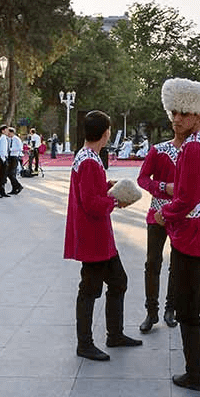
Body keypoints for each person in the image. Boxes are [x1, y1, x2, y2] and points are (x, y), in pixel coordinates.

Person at [154, 78, 200, 392]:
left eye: (184, 113)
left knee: (187, 308)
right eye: (174, 112)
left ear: (198, 115)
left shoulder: (194, 149)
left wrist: (164, 213)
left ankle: (194, 374)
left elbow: (186, 198)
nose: (176, 118)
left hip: (192, 234)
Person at [65, 110, 140, 361]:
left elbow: (91, 191)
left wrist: (107, 187)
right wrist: (116, 200)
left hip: (99, 235)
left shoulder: (88, 156)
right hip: (93, 235)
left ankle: (114, 334)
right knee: (90, 289)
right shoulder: (88, 160)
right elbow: (90, 203)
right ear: (106, 132)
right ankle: (84, 344)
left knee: (118, 281)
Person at [135, 127, 185, 333]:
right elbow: (143, 178)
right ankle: (151, 311)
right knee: (152, 262)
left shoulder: (195, 151)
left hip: (183, 216)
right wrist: (164, 187)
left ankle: (170, 308)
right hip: (157, 213)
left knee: (177, 263)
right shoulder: (159, 150)